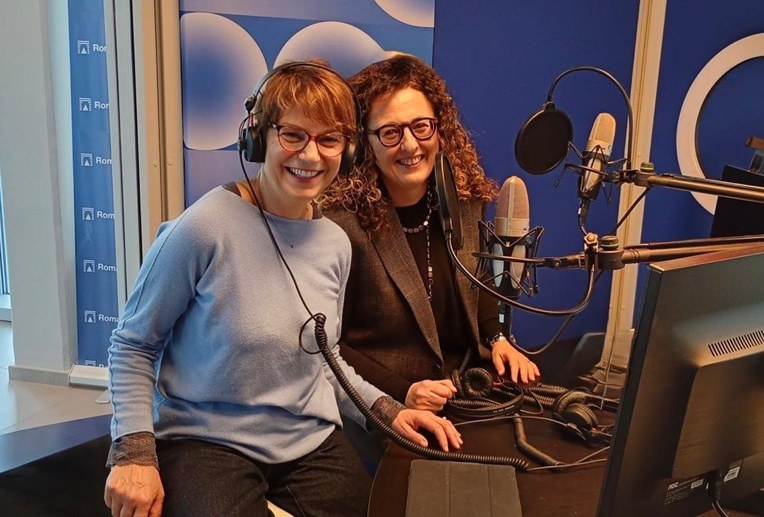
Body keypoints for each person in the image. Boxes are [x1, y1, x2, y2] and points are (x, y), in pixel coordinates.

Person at [104, 62, 461, 517]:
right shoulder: (203, 228)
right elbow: (133, 345)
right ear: (259, 138)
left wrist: (390, 411)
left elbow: (325, 363)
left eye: (329, 139)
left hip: (306, 441)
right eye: (293, 135)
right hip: (207, 441)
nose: (310, 155)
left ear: (349, 150)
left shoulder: (335, 243)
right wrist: (133, 454)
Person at [322, 54, 540, 419]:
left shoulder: (464, 201)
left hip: (466, 391)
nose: (410, 145)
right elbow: (330, 346)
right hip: (388, 407)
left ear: (440, 129)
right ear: (363, 143)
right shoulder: (340, 227)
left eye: (421, 126)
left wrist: (497, 338)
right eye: (390, 132)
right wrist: (401, 392)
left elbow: (478, 279)